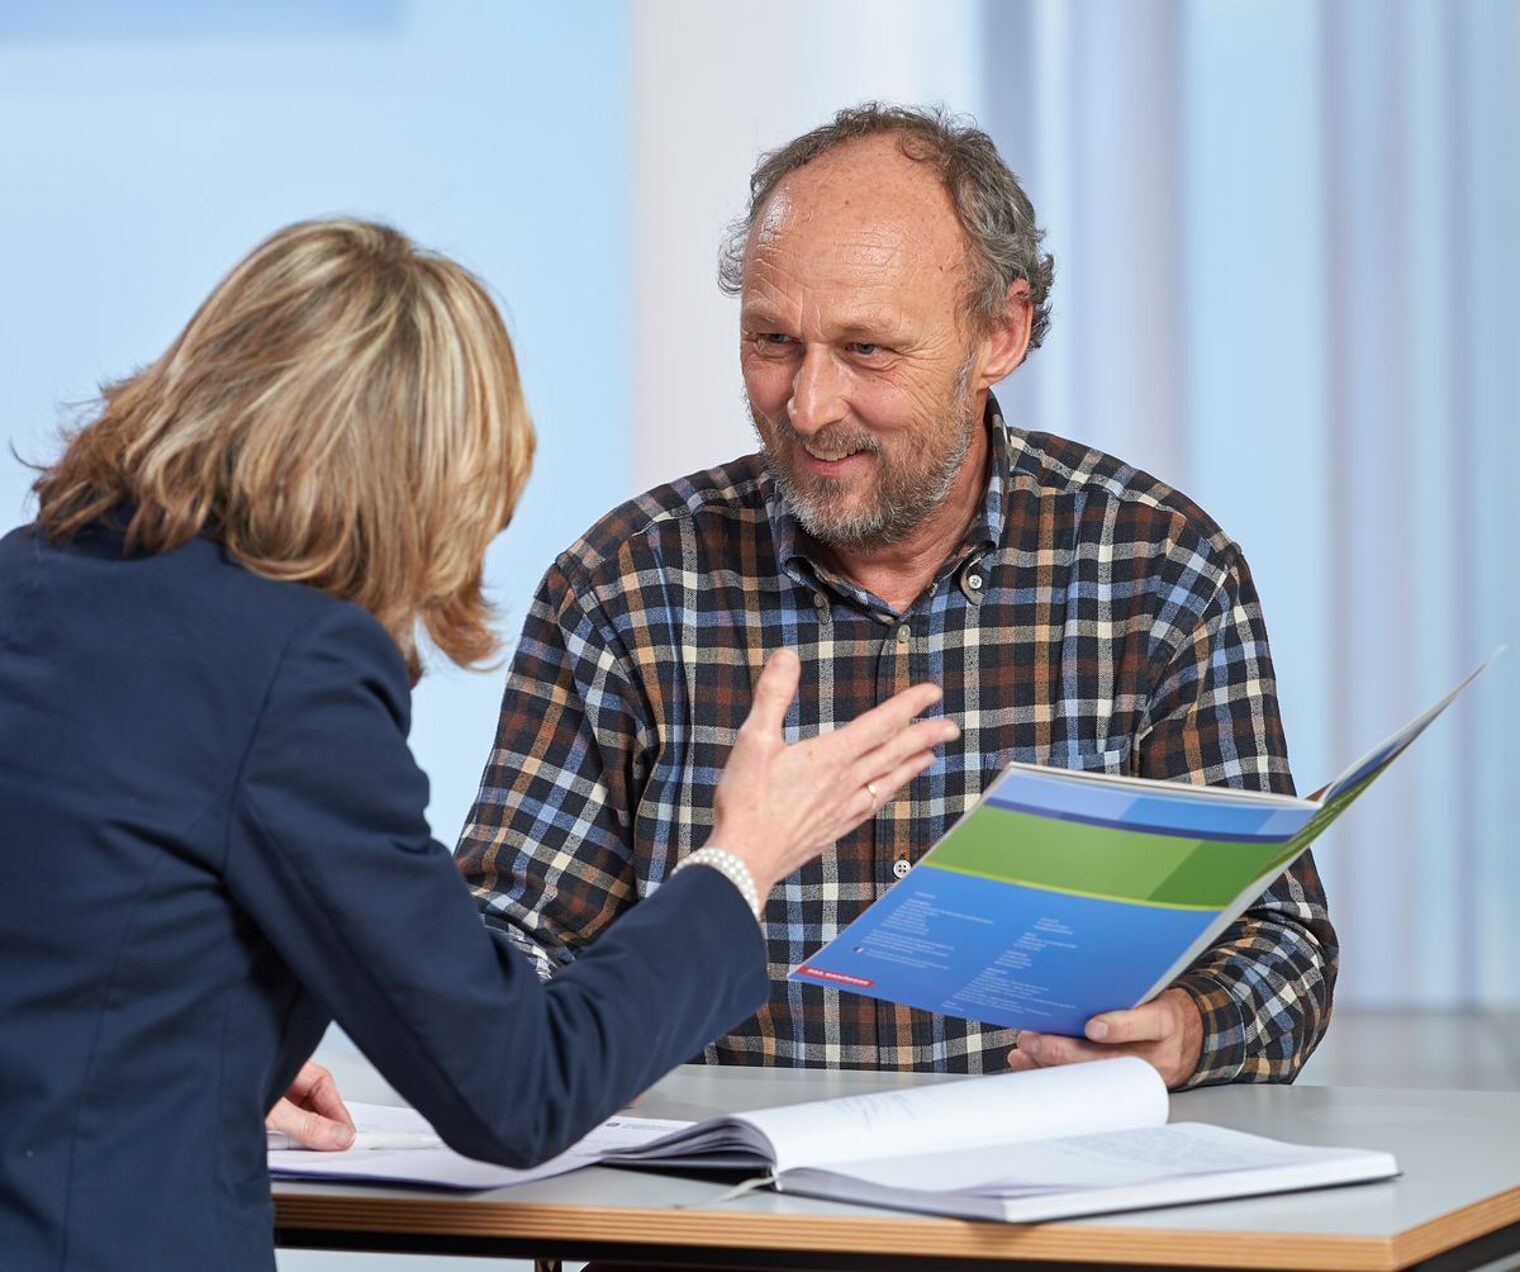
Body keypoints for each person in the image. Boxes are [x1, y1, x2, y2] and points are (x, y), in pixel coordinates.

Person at [0, 218, 955, 1271]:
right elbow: (515, 1089)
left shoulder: (28, 581)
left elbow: (74, 945)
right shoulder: (292, 667)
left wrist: (198, 1064)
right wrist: (740, 861)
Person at [456, 104, 1338, 1090]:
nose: (807, 405)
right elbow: (507, 957)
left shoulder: (1161, 573)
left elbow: (1278, 946)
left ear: (997, 334)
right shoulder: (621, 590)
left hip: (1043, 1218)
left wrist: (1185, 1028)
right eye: (771, 340)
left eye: (867, 351)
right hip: (718, 1216)